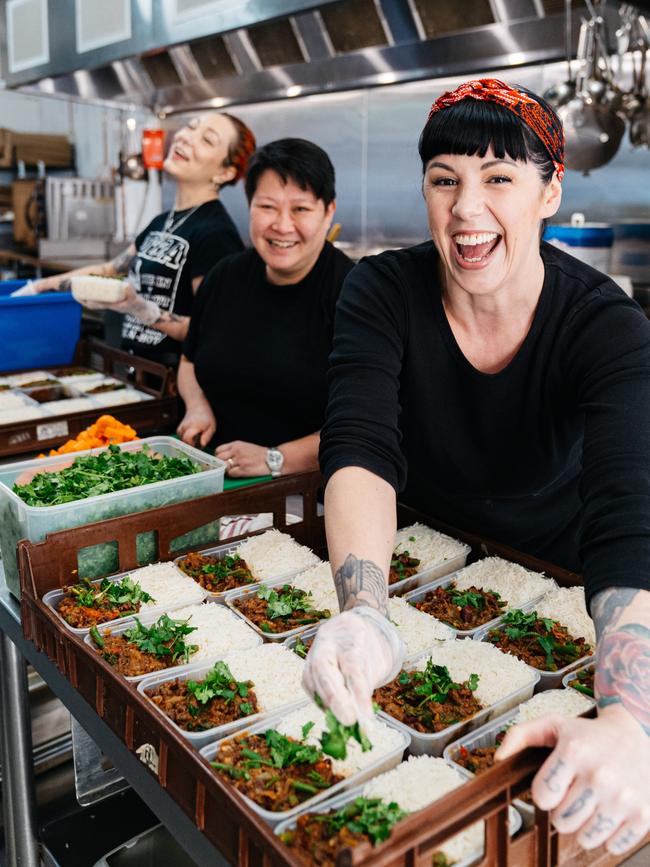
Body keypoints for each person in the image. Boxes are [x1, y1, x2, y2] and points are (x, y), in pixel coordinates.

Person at [304, 79, 650, 856]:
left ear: (550, 190)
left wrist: (631, 717)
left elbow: (629, 507)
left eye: (499, 178)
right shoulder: (380, 290)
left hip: (555, 585)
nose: (467, 210)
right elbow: (358, 445)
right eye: (444, 180)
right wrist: (365, 613)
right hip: (422, 566)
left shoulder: (607, 325)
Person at [177, 138, 353, 477]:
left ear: (328, 211)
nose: (282, 226)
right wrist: (197, 407)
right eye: (267, 207)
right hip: (212, 476)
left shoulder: (354, 295)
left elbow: (369, 423)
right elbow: (189, 360)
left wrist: (276, 458)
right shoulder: (224, 275)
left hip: (308, 494)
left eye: (300, 209)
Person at [20, 113, 255, 366]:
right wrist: (40, 287)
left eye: (207, 140)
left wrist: (142, 309)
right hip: (138, 370)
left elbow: (212, 330)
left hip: (174, 383)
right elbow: (111, 270)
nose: (186, 137)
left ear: (225, 172)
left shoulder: (216, 233)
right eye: (191, 127)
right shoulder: (163, 221)